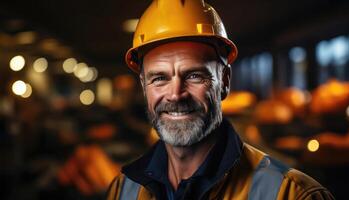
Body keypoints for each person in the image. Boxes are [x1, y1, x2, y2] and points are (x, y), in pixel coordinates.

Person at [107, 0, 335, 199]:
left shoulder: (292, 195)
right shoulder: (124, 189)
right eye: (159, 78)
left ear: (224, 81)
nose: (176, 94)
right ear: (144, 87)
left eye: (194, 75)